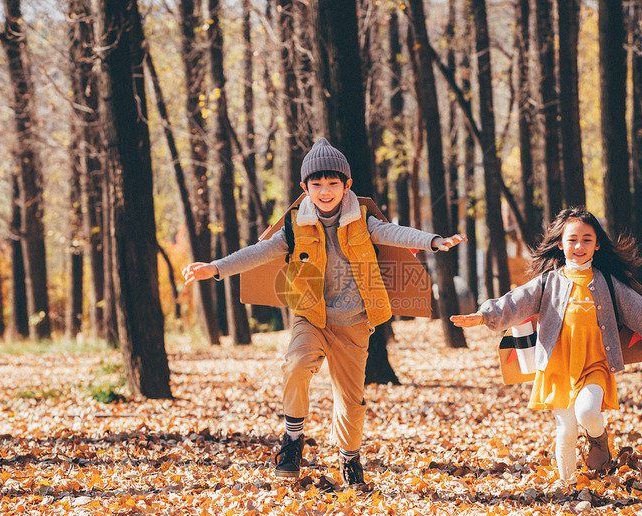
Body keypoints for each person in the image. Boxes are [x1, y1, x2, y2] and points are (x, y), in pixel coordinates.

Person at [182, 137, 465, 487]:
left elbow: (394, 233)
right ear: (305, 188)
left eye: (333, 184)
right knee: (297, 365)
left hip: (355, 323)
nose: (326, 191)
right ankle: (293, 438)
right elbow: (259, 253)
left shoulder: (362, 218)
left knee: (351, 400)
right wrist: (215, 267)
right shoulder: (294, 225)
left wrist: (433, 241)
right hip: (311, 316)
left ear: (346, 185)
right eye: (317, 185)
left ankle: (349, 459)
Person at [450, 207, 642, 483]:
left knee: (587, 412)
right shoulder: (548, 282)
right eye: (572, 239)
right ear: (560, 244)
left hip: (595, 363)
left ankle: (599, 438)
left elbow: (640, 312)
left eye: (586, 239)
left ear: (596, 244)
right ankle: (568, 487)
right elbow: (515, 301)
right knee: (566, 430)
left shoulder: (608, 282)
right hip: (558, 366)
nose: (579, 246)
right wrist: (483, 315)